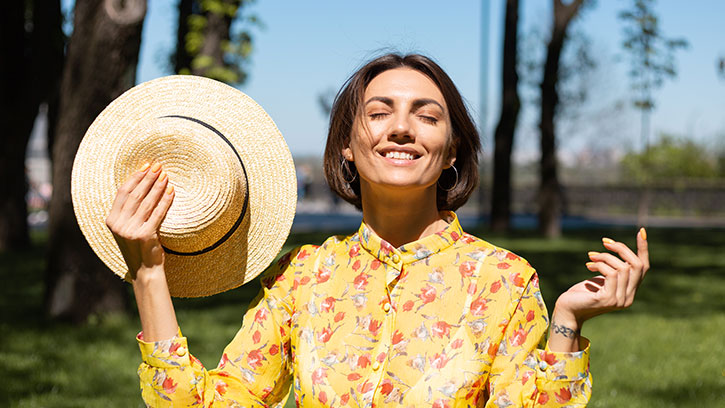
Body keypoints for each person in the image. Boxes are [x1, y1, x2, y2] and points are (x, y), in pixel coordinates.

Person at [107, 53, 650, 407]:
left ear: (451, 151)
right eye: (379, 112)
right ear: (347, 143)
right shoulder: (302, 276)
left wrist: (567, 323)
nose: (401, 128)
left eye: (427, 116)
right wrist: (150, 273)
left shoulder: (503, 281)